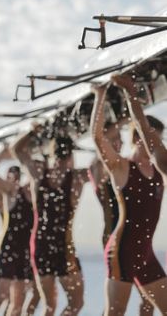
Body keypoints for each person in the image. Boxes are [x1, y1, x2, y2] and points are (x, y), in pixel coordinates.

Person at [90, 75, 167, 315]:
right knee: (115, 312)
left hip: (146, 253)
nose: (156, 143)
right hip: (121, 251)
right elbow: (98, 137)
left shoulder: (159, 169)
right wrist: (99, 96)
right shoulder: (122, 167)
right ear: (137, 139)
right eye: (152, 138)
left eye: (159, 138)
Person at [13, 128, 89, 316]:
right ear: (72, 155)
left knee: (49, 305)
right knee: (76, 304)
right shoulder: (77, 177)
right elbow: (105, 165)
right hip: (63, 246)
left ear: (51, 152)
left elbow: (16, 150)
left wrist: (33, 131)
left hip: (40, 245)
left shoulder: (39, 173)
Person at [88, 120, 155, 315]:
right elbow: (101, 140)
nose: (117, 143)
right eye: (113, 140)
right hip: (115, 239)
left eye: (120, 140)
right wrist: (122, 122)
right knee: (116, 306)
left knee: (147, 299)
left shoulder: (126, 165)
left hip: (137, 240)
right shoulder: (99, 167)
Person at [0, 146, 39, 316]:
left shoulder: (30, 192)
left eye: (14, 176)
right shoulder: (7, 194)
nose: (11, 180)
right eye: (8, 177)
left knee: (18, 301)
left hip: (25, 251)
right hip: (8, 247)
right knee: (2, 296)